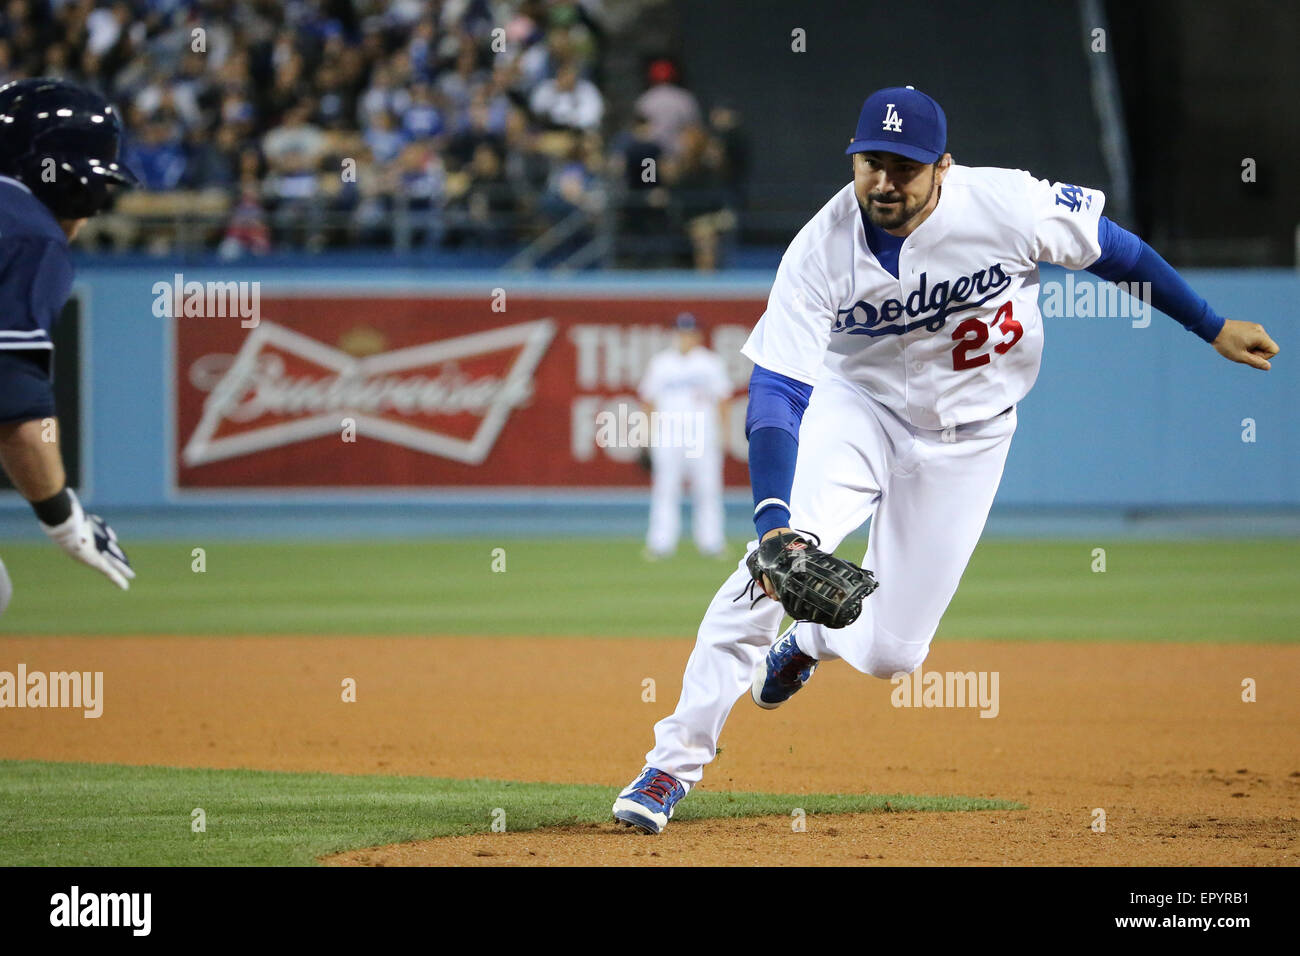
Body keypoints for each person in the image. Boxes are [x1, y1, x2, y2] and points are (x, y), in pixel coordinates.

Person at [611, 86, 1280, 834]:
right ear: (854, 161)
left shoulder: (1006, 205)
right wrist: (773, 522)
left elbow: (1112, 248)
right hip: (857, 408)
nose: (886, 182)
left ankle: (816, 640)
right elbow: (775, 390)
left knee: (896, 653)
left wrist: (1210, 324)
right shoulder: (819, 249)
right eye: (872, 163)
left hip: (974, 433)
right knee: (767, 575)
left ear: (943, 167)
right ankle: (671, 765)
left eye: (906, 166)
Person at [0, 78, 138, 616]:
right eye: (93, 183)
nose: (95, 201)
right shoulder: (27, 233)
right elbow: (16, 413)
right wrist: (65, 520)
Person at [637, 313, 734, 560]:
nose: (685, 337)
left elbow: (724, 400)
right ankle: (661, 543)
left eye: (689, 332)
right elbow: (648, 400)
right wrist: (645, 436)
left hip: (702, 434)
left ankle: (712, 542)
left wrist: (725, 434)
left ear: (698, 335)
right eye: (681, 332)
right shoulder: (661, 363)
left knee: (708, 490)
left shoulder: (710, 363)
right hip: (667, 434)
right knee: (665, 490)